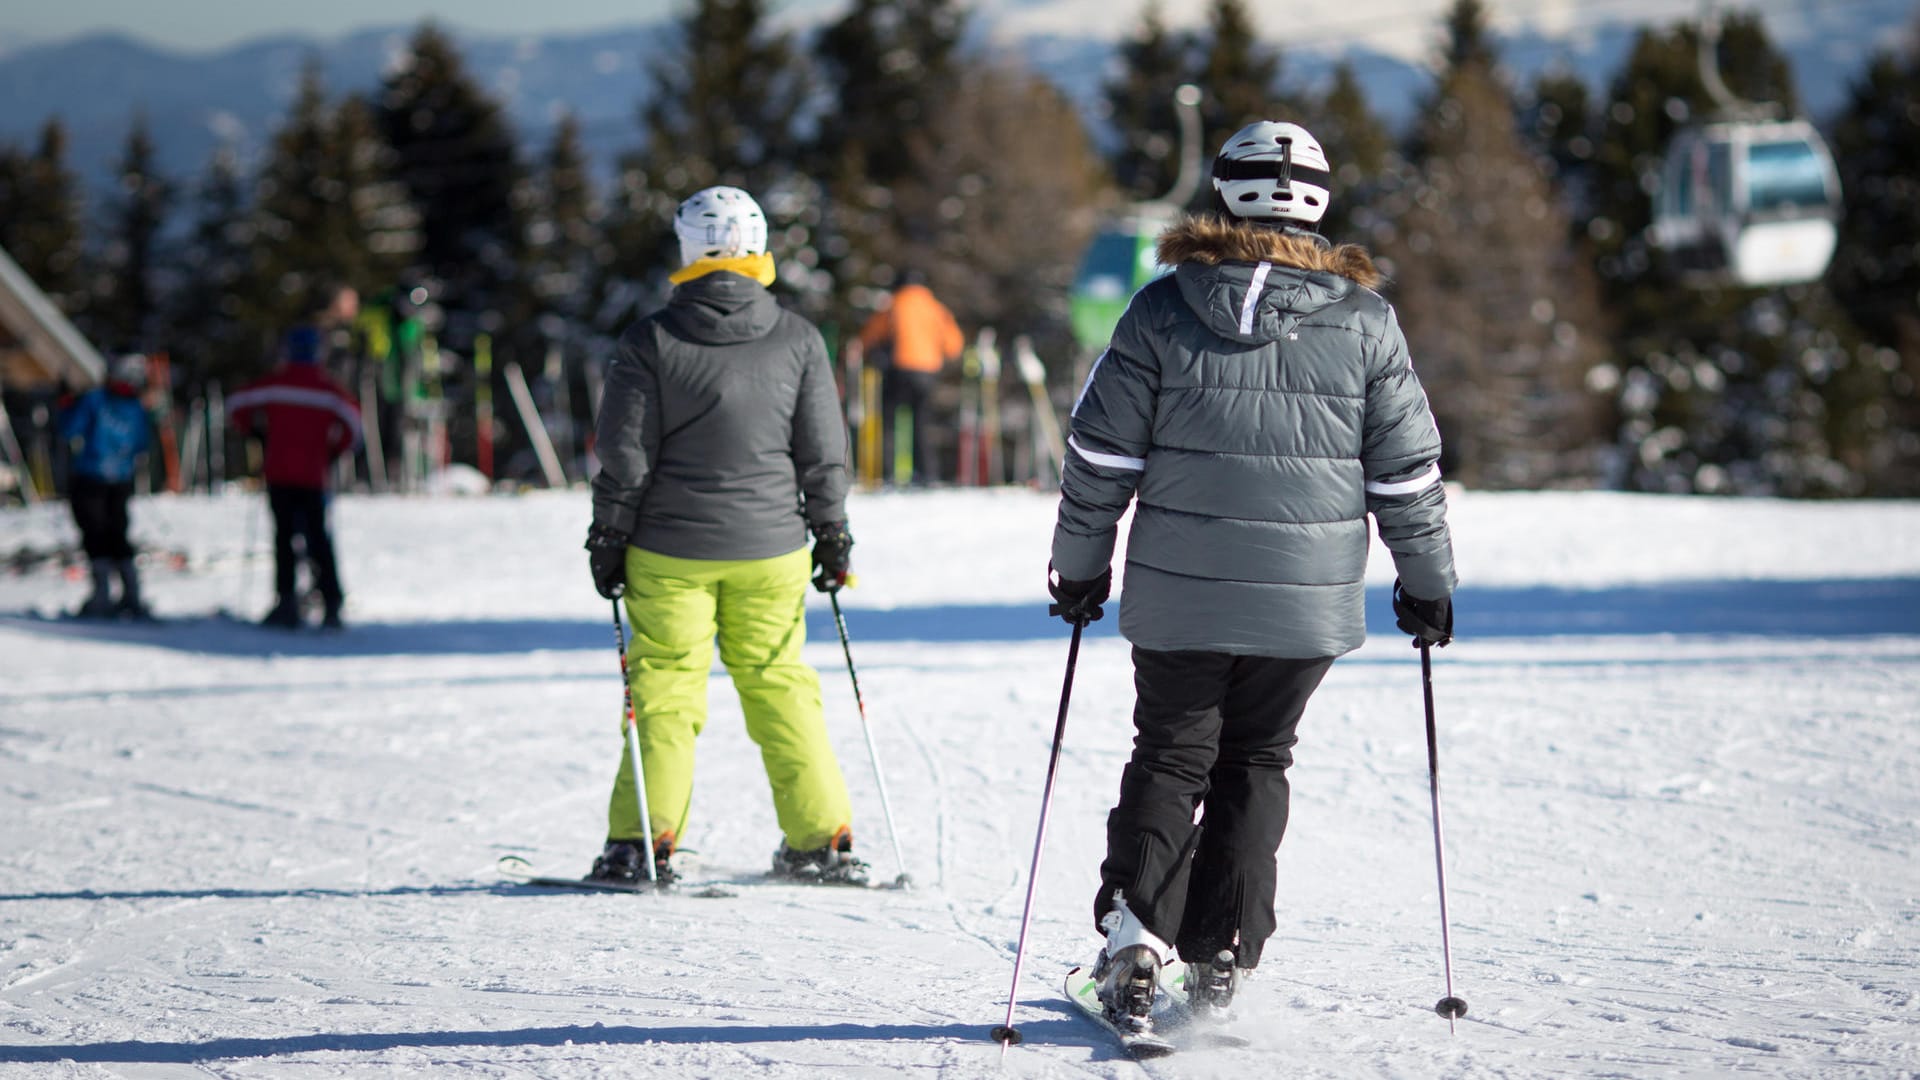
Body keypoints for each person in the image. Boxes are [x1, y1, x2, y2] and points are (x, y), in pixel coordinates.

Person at [1046, 120, 1458, 1033]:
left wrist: (1079, 568)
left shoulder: (1161, 309)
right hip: (1302, 602)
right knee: (1256, 759)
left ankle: (1134, 944)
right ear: (1319, 202)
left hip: (1180, 594)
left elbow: (1100, 457)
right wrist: (1427, 583)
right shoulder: (1364, 321)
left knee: (1171, 755)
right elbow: (1407, 473)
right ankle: (1221, 953)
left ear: (1225, 194)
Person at [584, 185, 867, 887]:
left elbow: (625, 455)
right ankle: (820, 840)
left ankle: (641, 843)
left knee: (667, 695)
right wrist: (832, 532)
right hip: (771, 549)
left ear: (688, 248)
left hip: (668, 552)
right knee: (780, 687)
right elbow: (823, 451)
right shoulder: (798, 339)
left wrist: (609, 536)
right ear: (759, 244)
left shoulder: (650, 341)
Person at [228, 326, 362, 630]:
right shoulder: (327, 390)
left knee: (284, 539)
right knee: (319, 540)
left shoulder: (275, 385)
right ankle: (331, 602)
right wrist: (334, 450)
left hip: (279, 474)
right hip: (314, 476)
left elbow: (235, 404)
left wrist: (255, 432)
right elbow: (355, 425)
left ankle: (286, 601)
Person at [58, 353, 154, 619]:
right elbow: (141, 444)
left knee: (95, 534)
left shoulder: (95, 400)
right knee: (118, 534)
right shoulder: (136, 408)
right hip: (121, 478)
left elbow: (69, 430)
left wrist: (66, 404)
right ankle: (131, 594)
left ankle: (102, 596)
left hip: (90, 477)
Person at [856, 272, 964, 486]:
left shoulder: (894, 304)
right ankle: (926, 473)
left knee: (889, 421)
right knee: (922, 422)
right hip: (927, 371)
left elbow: (871, 334)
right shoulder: (935, 308)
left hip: (899, 368)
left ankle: (887, 472)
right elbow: (954, 345)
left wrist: (863, 349)